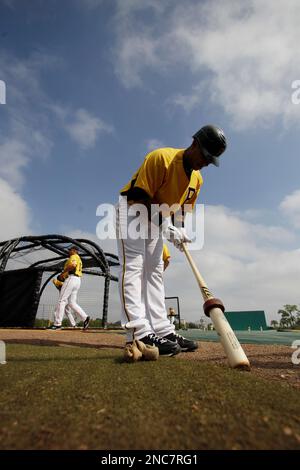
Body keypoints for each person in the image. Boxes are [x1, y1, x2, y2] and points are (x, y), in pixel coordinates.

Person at [115, 125, 227, 356]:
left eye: (211, 160)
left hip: (156, 219)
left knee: (155, 271)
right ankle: (138, 331)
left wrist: (178, 231)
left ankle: (162, 329)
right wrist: (166, 226)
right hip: (133, 210)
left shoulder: (197, 180)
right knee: (134, 267)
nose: (206, 163)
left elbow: (179, 214)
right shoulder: (161, 157)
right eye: (205, 156)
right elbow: (138, 196)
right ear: (194, 143)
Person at [49, 246, 90, 330]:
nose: (69, 251)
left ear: (75, 251)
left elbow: (72, 265)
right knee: (72, 303)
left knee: (62, 300)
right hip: (77, 280)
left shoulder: (74, 256)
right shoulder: (79, 259)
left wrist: (63, 273)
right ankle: (85, 317)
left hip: (71, 279)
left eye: (70, 250)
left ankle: (57, 324)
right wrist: (63, 276)